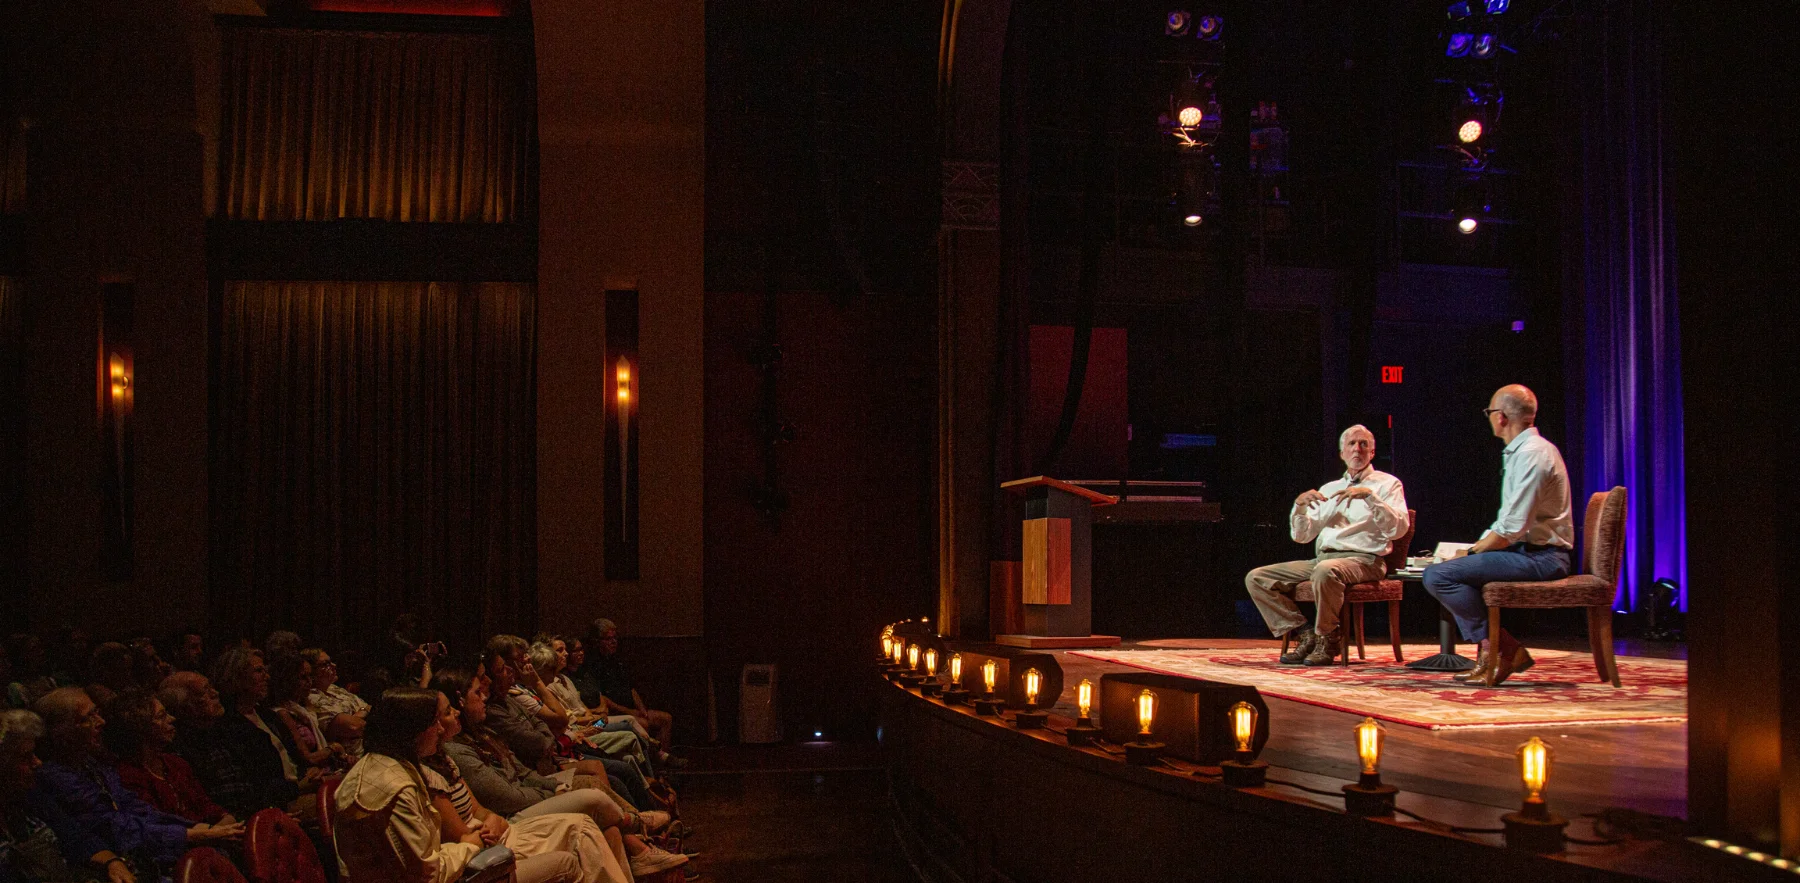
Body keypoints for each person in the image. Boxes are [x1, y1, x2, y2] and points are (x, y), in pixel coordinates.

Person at [432, 668, 684, 879]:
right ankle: (637, 824)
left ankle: (643, 848)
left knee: (610, 807)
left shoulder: (542, 691)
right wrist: (552, 788)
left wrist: (553, 781)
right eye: (478, 689)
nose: (486, 690)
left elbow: (554, 728)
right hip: (552, 766)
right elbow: (511, 789)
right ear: (459, 701)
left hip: (572, 743)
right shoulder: (474, 734)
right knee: (600, 781)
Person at [332, 687, 582, 883]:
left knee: (577, 830)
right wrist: (470, 845)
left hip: (457, 857)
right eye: (435, 723)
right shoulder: (395, 789)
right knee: (567, 862)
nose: (442, 730)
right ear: (413, 731)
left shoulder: (386, 763)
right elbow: (429, 875)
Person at [1423, 384, 1574, 687]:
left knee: (1438, 576)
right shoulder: (1520, 451)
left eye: (1489, 412)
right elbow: (1505, 522)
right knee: (1451, 570)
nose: (1489, 417)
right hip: (1525, 552)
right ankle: (1495, 652)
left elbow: (1511, 528)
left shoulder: (1533, 454)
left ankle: (1501, 650)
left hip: (1543, 557)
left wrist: (1472, 553)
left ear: (1501, 416)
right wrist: (1474, 549)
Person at [28, 688, 243, 874]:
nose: (101, 722)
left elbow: (140, 810)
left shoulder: (93, 766)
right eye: (87, 718)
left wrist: (201, 828)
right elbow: (114, 828)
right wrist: (196, 834)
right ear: (60, 732)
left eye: (97, 714)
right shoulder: (55, 778)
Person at [1244, 425, 1410, 666]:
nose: (1357, 449)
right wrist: (1300, 507)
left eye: (1363, 444)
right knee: (1257, 577)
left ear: (1372, 452)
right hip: (1324, 559)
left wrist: (1371, 498)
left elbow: (1398, 530)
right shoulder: (1329, 489)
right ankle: (1305, 633)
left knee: (1325, 570)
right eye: (1351, 444)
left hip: (1365, 560)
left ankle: (1328, 637)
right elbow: (1302, 537)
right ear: (1342, 453)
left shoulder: (1387, 484)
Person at [3, 708, 132, 883]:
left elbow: (75, 837)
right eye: (25, 757)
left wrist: (112, 862)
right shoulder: (52, 778)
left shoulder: (29, 798)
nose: (37, 763)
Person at [159, 670, 299, 817]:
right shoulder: (180, 750)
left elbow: (267, 775)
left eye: (211, 687)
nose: (215, 693)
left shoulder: (232, 730)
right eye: (205, 691)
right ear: (184, 706)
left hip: (268, 808)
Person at [103, 690, 233, 826]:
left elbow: (206, 806)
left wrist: (225, 818)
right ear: (140, 727)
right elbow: (158, 824)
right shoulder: (128, 776)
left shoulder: (175, 764)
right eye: (161, 716)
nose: (172, 719)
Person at [582, 620, 683, 769]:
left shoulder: (616, 661)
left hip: (621, 713)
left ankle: (662, 763)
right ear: (596, 641)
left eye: (615, 638)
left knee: (665, 718)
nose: (614, 642)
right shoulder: (590, 666)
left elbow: (631, 688)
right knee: (640, 723)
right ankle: (650, 766)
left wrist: (641, 709)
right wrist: (630, 712)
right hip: (603, 719)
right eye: (609, 639)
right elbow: (602, 700)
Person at [302, 647, 369, 756]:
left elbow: (370, 707)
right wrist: (364, 712)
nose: (334, 665)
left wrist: (360, 712)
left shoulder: (333, 688)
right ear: (311, 671)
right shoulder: (311, 698)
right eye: (325, 664)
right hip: (357, 755)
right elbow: (355, 726)